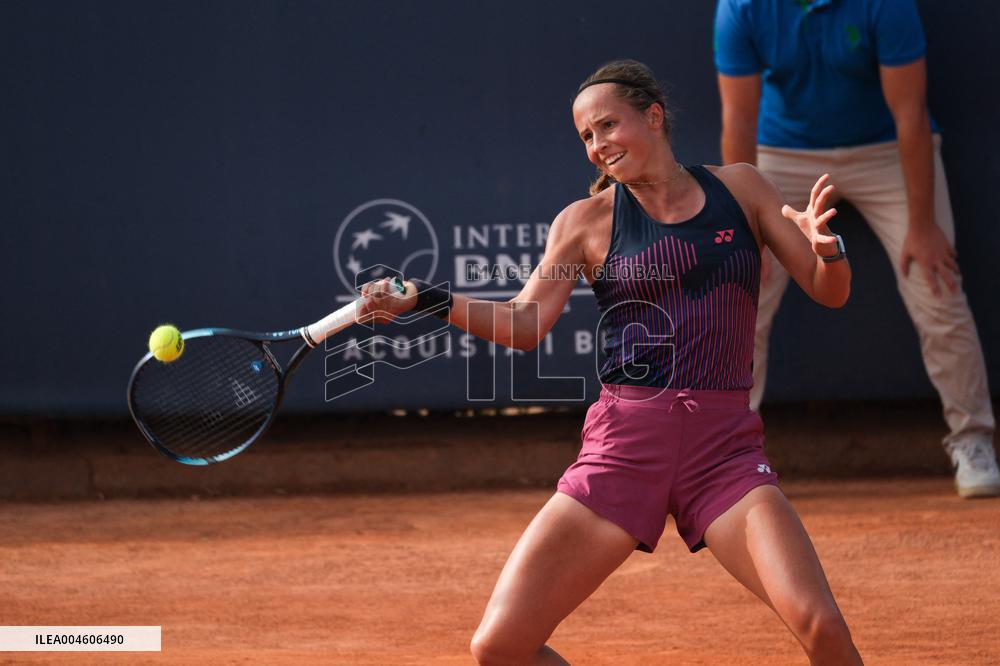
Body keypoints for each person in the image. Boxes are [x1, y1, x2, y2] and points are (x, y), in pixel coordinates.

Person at [360, 60, 863, 664]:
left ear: (653, 116)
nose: (597, 145)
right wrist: (424, 298)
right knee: (499, 645)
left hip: (724, 452)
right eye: (586, 136)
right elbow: (524, 324)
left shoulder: (744, 189)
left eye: (607, 126)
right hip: (622, 450)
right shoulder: (583, 223)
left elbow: (830, 292)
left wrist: (827, 250)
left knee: (822, 625)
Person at [714, 0, 1000, 498]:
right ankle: (727, 457)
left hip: (886, 149)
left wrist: (923, 225)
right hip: (780, 154)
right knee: (743, 293)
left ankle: (973, 439)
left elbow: (910, 114)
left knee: (936, 283)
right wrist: (746, 234)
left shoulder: (885, 4)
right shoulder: (741, 7)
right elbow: (738, 120)